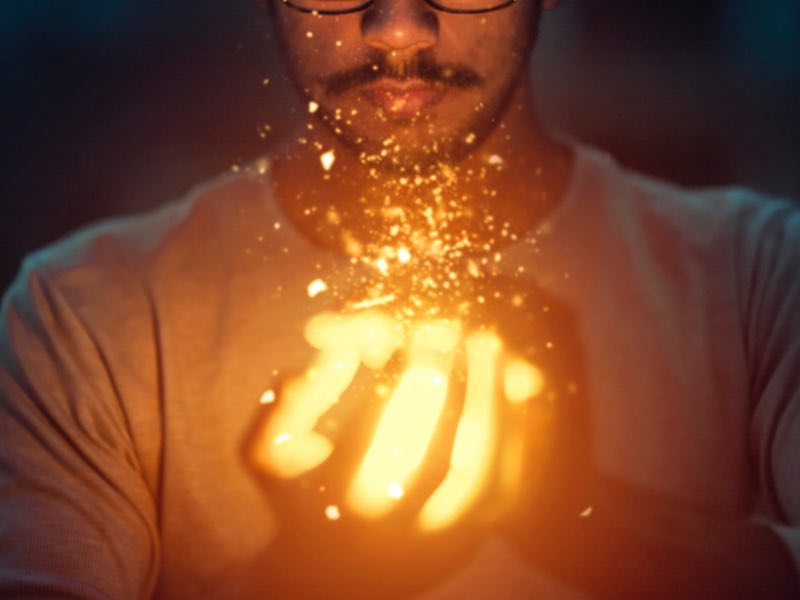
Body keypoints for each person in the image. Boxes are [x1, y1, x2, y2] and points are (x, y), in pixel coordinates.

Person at [0, 0, 798, 597]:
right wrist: (299, 577)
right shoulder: (85, 318)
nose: (398, 29)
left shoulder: (757, 276)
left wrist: (591, 526)